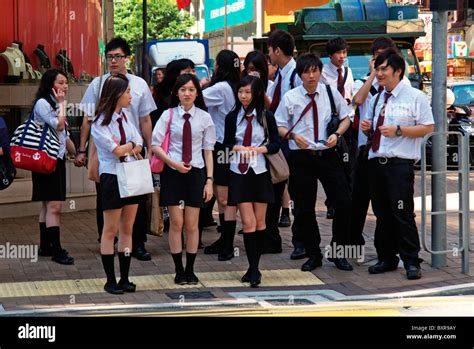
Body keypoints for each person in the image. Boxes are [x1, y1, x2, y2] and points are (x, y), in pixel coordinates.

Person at [75, 37, 156, 261]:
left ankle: (136, 243)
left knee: (136, 195)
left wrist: (149, 149)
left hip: (135, 153)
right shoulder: (98, 84)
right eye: (109, 57)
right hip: (107, 152)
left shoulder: (138, 84)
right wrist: (81, 149)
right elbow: (87, 119)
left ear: (126, 58)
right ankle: (108, 240)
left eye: (118, 57)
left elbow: (146, 119)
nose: (113, 61)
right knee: (106, 198)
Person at [275, 53, 354, 272]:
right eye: (306, 72)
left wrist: (337, 135)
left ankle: (340, 253)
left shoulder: (329, 92)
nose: (311, 76)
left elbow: (347, 116)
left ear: (320, 71)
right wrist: (292, 137)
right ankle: (313, 253)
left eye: (315, 71)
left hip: (328, 155)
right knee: (303, 208)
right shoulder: (291, 97)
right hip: (301, 157)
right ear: (300, 75)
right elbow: (279, 125)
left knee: (343, 202)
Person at [360, 48, 434, 280]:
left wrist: (399, 130)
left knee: (402, 211)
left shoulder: (415, 97)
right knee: (382, 213)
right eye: (377, 69)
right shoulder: (377, 98)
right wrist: (368, 128)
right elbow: (375, 128)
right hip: (376, 162)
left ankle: (411, 260)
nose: (379, 74)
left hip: (399, 165)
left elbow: (428, 127)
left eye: (384, 69)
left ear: (398, 71)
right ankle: (386, 257)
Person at [152, 73, 215, 285]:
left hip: (196, 173)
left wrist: (209, 180)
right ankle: (178, 269)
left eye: (191, 90)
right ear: (176, 92)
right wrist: (172, 163)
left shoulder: (205, 118)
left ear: (197, 93)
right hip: (173, 172)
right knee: (176, 223)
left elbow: (208, 151)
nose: (187, 93)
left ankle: (191, 269)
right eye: (183, 90)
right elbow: (155, 145)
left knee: (192, 224)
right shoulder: (168, 115)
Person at [350, 37, 411, 247]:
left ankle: (395, 252)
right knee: (357, 202)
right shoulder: (363, 82)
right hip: (365, 150)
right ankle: (352, 249)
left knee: (392, 207)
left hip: (391, 153)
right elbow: (357, 101)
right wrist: (372, 76)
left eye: (385, 62)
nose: (381, 67)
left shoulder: (404, 87)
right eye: (377, 60)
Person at [225, 75, 280, 287]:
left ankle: (254, 267)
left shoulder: (266, 116)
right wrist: (237, 148)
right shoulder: (232, 117)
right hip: (238, 172)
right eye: (240, 92)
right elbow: (226, 144)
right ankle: (254, 269)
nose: (244, 96)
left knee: (260, 222)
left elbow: (276, 143)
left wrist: (259, 150)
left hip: (260, 171)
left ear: (257, 93)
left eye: (248, 92)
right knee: (248, 222)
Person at [91, 74, 142, 294]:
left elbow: (139, 144)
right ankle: (110, 279)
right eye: (128, 92)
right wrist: (130, 145)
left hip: (130, 174)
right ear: (117, 94)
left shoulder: (126, 117)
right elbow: (117, 151)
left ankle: (125, 278)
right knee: (110, 230)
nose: (131, 96)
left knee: (127, 229)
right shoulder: (100, 122)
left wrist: (129, 145)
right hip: (112, 176)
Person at [266, 29, 304, 258]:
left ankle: (300, 243)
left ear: (277, 50)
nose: (269, 55)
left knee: (298, 193)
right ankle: (272, 239)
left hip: (294, 144)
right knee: (273, 190)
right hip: (279, 142)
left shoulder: (296, 75)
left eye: (269, 51)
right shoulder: (279, 75)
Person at [32, 69, 75, 265]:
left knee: (47, 204)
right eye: (61, 82)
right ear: (51, 84)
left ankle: (45, 245)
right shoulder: (43, 103)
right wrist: (62, 104)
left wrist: (77, 152)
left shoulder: (52, 103)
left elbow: (63, 136)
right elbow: (58, 125)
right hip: (46, 159)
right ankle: (56, 250)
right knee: (54, 206)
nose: (65, 86)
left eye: (66, 82)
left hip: (54, 159)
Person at [202, 49, 240, 261]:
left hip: (221, 147)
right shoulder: (235, 86)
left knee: (224, 198)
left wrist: (198, 85)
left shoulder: (221, 88)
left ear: (220, 66)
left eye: (217, 63)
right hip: (231, 147)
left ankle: (227, 244)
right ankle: (225, 240)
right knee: (223, 196)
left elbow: (197, 99)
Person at [321, 37, 355, 220]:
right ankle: (330, 203)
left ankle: (345, 200)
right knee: (331, 165)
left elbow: (350, 94)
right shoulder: (323, 73)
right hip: (331, 125)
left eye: (344, 52)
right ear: (330, 55)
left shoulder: (348, 72)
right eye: (338, 53)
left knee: (347, 164)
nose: (342, 56)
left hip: (347, 122)